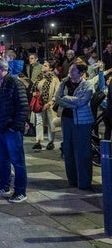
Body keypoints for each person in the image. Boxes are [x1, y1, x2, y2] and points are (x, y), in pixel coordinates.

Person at [0, 56, 29, 203]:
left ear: (3, 69)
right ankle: (4, 186)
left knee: (17, 161)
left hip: (9, 130)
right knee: (3, 160)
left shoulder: (14, 83)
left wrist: (14, 126)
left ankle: (20, 191)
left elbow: (22, 106)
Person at [54, 61, 94, 190]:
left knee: (82, 151)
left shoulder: (87, 85)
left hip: (82, 122)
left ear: (81, 73)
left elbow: (82, 102)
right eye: (70, 70)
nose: (70, 72)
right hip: (67, 119)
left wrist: (66, 99)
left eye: (73, 70)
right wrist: (71, 102)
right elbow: (58, 98)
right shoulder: (64, 82)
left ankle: (84, 182)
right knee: (68, 150)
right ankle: (72, 180)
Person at [30, 60, 60, 150]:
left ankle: (51, 141)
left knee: (51, 123)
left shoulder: (55, 79)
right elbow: (34, 89)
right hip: (39, 104)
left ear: (51, 68)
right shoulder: (39, 78)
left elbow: (57, 93)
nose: (43, 66)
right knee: (39, 122)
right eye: (43, 65)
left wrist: (50, 103)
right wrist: (34, 93)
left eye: (46, 65)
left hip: (50, 105)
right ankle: (38, 141)